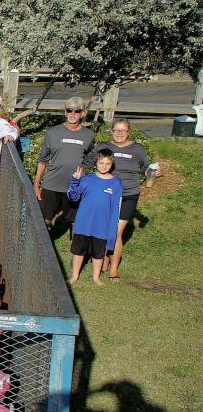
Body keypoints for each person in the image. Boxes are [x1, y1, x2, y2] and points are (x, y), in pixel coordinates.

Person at [84, 119, 149, 280]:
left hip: (128, 195)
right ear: (111, 131)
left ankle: (113, 270)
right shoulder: (104, 147)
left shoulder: (138, 149)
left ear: (129, 132)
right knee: (105, 230)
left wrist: (152, 172)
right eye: (116, 130)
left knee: (115, 232)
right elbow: (87, 161)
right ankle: (104, 259)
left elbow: (146, 168)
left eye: (123, 130)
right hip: (107, 194)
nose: (119, 133)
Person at [34, 97, 96, 229]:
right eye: (69, 110)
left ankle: (76, 247)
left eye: (77, 111)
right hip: (51, 184)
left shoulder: (89, 135)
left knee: (74, 220)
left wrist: (83, 169)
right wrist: (36, 185)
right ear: (65, 111)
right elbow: (43, 159)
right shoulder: (52, 133)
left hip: (74, 185)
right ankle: (44, 248)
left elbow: (91, 155)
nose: (72, 114)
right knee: (45, 220)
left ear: (83, 113)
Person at [67, 149, 122, 286]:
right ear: (95, 163)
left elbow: (116, 208)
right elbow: (73, 197)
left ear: (112, 165)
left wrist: (111, 231)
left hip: (102, 226)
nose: (104, 166)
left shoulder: (116, 184)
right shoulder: (87, 180)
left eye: (107, 163)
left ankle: (96, 278)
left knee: (98, 253)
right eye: (101, 163)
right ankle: (74, 276)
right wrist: (75, 181)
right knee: (78, 251)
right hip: (83, 224)